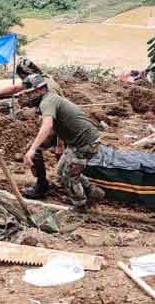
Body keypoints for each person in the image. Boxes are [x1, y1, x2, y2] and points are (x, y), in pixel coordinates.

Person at [0, 57, 63, 198]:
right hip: (58, 124)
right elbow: (17, 88)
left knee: (38, 150)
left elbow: (56, 120)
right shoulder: (40, 80)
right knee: (60, 156)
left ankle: (44, 186)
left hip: (62, 127)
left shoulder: (50, 90)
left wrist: (59, 144)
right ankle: (61, 182)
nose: (24, 84)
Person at [19, 74, 104, 209]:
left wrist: (33, 149)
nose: (28, 97)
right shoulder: (50, 98)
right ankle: (92, 191)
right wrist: (56, 144)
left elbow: (48, 125)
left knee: (68, 177)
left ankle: (80, 205)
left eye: (29, 93)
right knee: (60, 172)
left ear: (39, 90)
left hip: (85, 144)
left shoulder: (47, 102)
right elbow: (59, 125)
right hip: (79, 141)